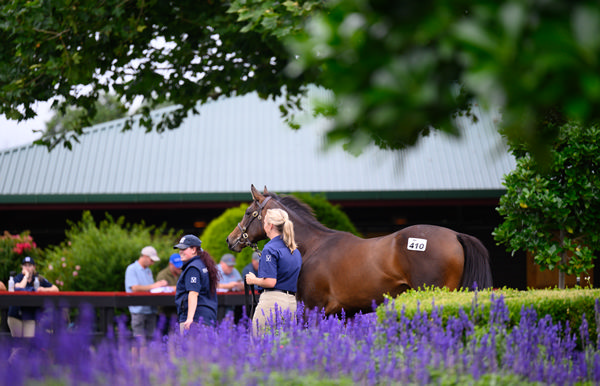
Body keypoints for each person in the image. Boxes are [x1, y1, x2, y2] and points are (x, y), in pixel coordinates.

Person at [245, 208, 302, 335]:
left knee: (258, 342)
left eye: (264, 222)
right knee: (284, 345)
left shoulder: (270, 249)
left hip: (272, 301)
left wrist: (253, 280)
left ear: (270, 226)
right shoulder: (294, 250)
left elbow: (270, 282)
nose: (263, 225)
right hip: (292, 303)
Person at [174, 235, 219, 332]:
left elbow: (193, 293)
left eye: (183, 248)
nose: (180, 252)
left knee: (191, 347)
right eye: (179, 249)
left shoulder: (193, 268)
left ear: (194, 250)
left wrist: (190, 318)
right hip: (207, 317)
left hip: (195, 319)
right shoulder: (203, 264)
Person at [7, 256, 59, 337]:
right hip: (15, 315)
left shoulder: (38, 279)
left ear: (34, 267)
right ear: (22, 267)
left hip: (30, 316)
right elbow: (19, 287)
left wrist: (43, 289)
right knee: (18, 344)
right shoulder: (18, 277)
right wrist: (26, 276)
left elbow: (56, 289)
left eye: (29, 265)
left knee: (28, 343)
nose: (27, 267)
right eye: (25, 265)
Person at [124, 246, 168, 339]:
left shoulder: (148, 270)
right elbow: (134, 288)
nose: (153, 263)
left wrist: (160, 287)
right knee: (138, 341)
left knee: (150, 340)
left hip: (150, 309)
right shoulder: (131, 269)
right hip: (138, 310)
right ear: (144, 256)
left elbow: (150, 289)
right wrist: (155, 285)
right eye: (151, 260)